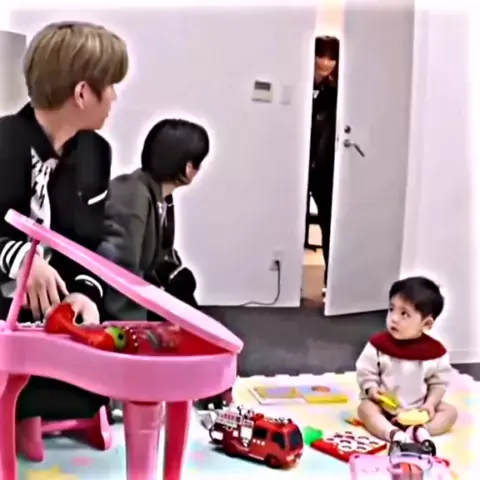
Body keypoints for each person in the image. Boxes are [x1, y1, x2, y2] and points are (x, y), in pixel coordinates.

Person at [0, 21, 128, 449]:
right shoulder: (3, 142)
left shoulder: (96, 153)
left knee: (101, 356)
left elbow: (92, 242)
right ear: (82, 93)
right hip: (4, 308)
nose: (114, 97)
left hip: (57, 311)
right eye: (110, 85)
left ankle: (28, 410)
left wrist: (85, 292)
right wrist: (20, 258)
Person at [100, 118, 231, 411]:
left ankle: (204, 386)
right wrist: (140, 333)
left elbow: (162, 257)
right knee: (189, 326)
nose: (197, 170)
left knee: (200, 320)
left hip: (141, 291)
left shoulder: (160, 197)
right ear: (187, 166)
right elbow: (119, 268)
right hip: (116, 304)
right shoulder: (132, 194)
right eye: (197, 163)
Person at [355, 276, 458, 447]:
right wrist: (372, 389)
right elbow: (366, 371)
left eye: (404, 314)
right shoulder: (378, 344)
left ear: (426, 324)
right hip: (385, 406)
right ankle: (392, 433)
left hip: (419, 409)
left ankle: (419, 430)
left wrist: (430, 404)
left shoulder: (435, 352)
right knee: (365, 408)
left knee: (450, 413)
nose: (394, 318)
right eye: (391, 309)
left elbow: (438, 384)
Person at [307, 36, 339, 294]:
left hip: (324, 167)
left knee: (329, 222)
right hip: (299, 164)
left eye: (331, 58)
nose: (325, 62)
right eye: (321, 55)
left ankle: (332, 281)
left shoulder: (336, 91)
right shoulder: (300, 84)